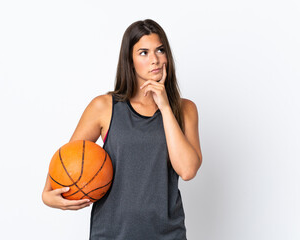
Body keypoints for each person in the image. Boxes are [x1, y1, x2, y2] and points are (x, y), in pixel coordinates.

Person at [42, 19, 202, 239]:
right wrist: (47, 194)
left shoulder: (185, 109)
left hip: (168, 234)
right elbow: (68, 160)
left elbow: (187, 170)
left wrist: (165, 107)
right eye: (143, 53)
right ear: (130, 60)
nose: (154, 59)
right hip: (111, 234)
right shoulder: (104, 107)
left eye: (160, 50)